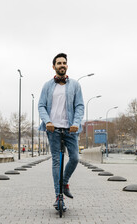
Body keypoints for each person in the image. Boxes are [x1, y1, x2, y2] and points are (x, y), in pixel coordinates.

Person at [38, 53, 84, 211]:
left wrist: (76, 123)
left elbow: (79, 106)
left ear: (67, 66)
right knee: (56, 162)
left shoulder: (75, 85)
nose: (62, 65)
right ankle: (59, 197)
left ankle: (64, 182)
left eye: (64, 63)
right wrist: (47, 122)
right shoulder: (47, 86)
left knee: (75, 158)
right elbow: (41, 106)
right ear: (54, 66)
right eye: (59, 63)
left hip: (70, 129)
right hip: (53, 129)